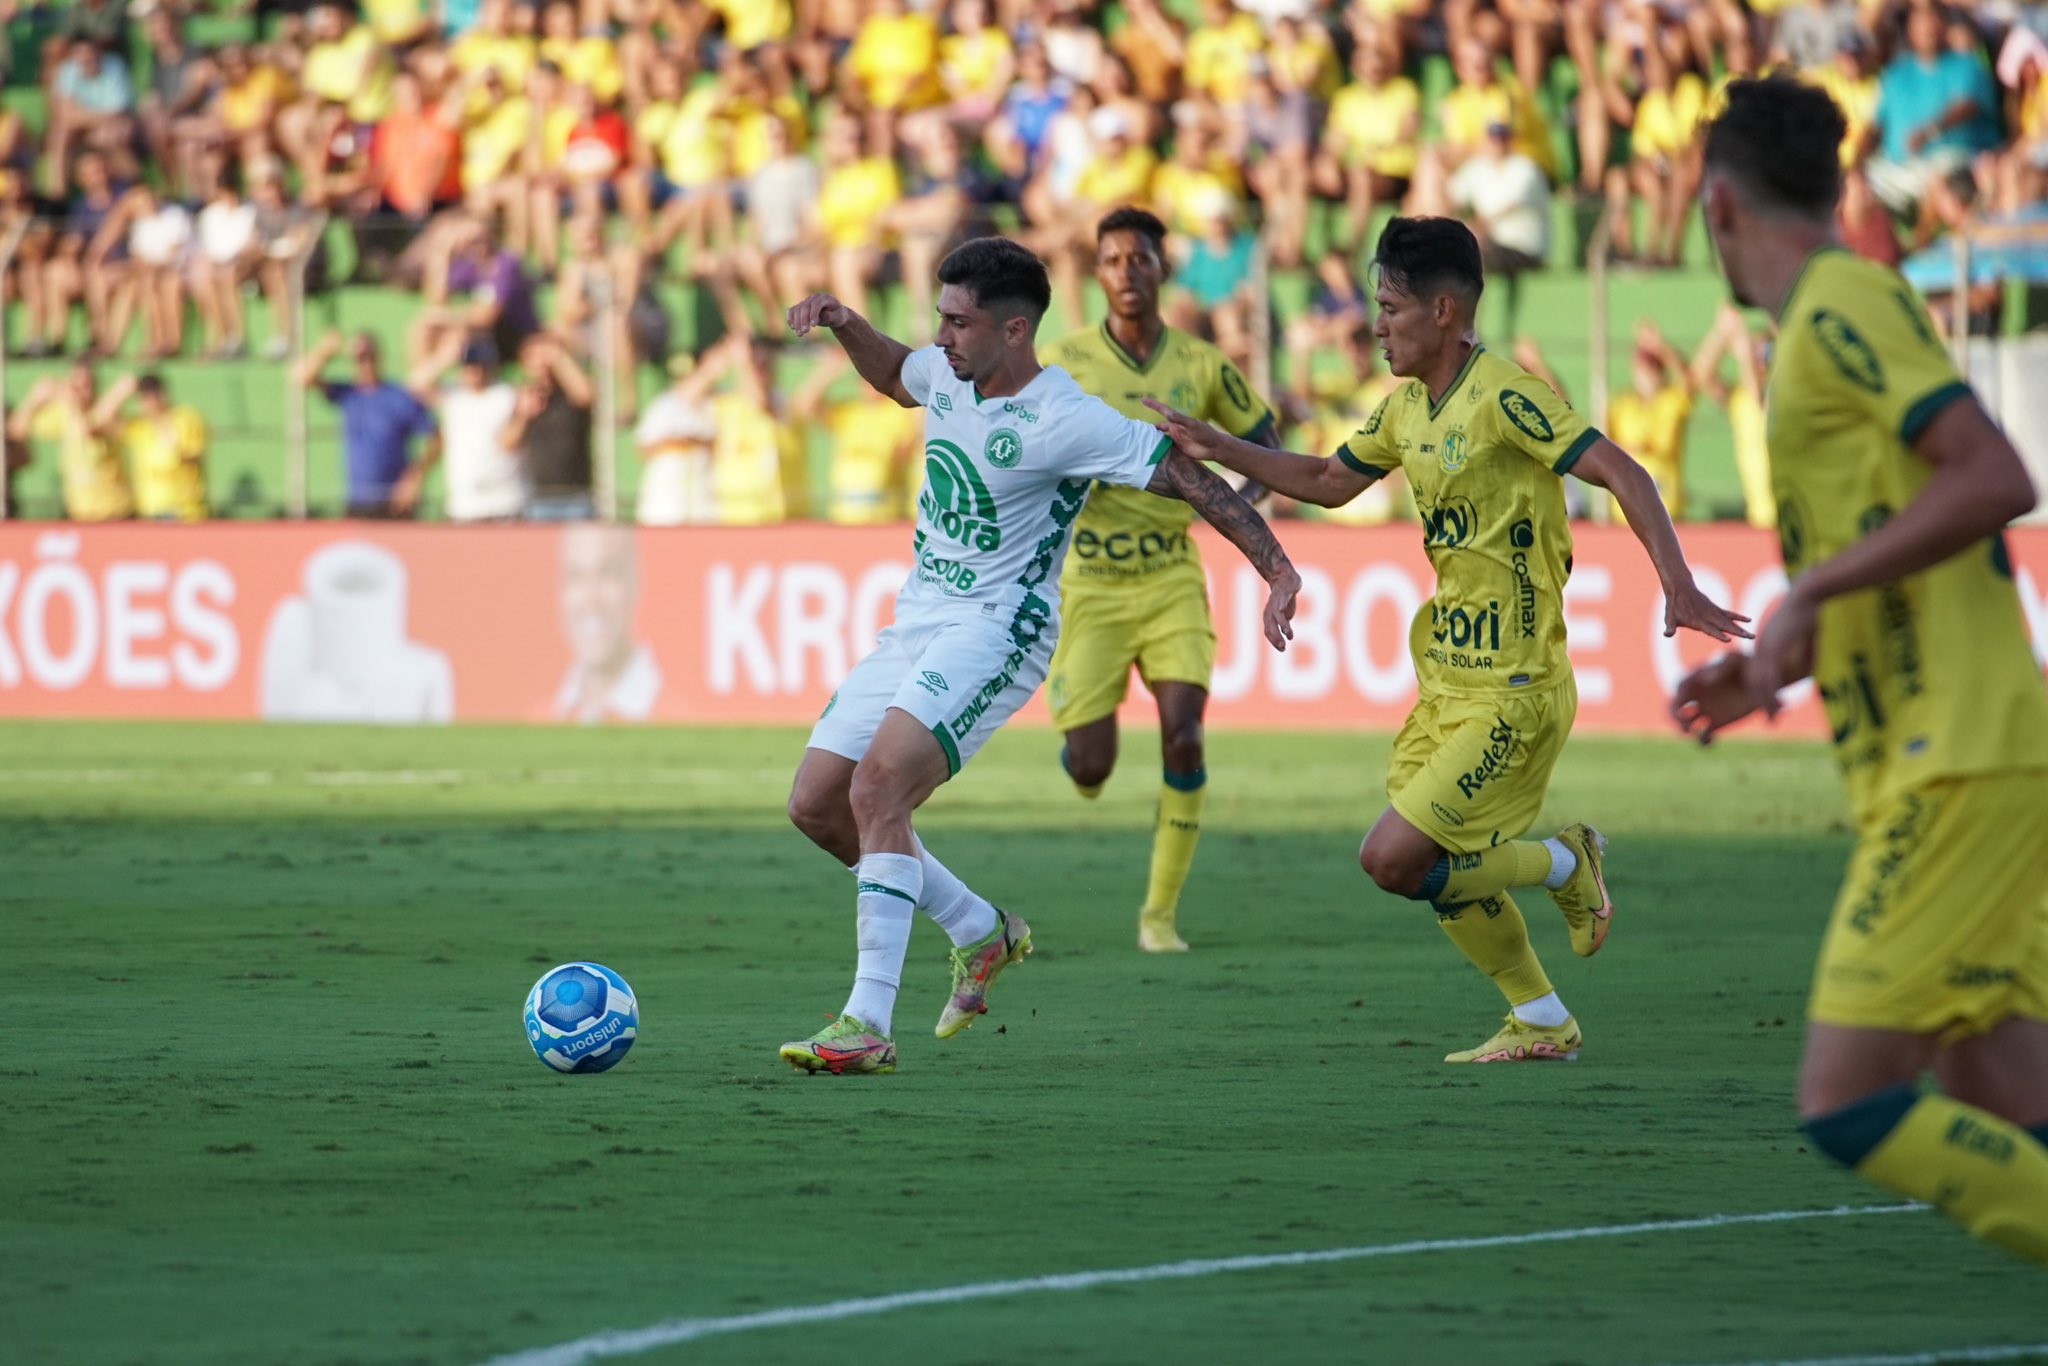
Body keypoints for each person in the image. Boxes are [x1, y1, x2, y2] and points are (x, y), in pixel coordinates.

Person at [1149, 215, 1749, 1064]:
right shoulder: (1403, 409)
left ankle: (1562, 865)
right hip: (1447, 686)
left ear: (1442, 311)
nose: (1377, 324)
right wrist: (1216, 445)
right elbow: (1326, 480)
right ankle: (1541, 1018)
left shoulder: (1508, 397)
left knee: (1393, 858)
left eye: (1389, 307)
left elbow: (1623, 468)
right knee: (1430, 867)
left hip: (1515, 688)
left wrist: (1678, 583)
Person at [1673, 75, 2048, 1268]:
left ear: (1717, 202)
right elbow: (1890, 530)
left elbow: (1992, 476)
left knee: (1842, 1096)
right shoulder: (1824, 321)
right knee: (1994, 1081)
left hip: (1960, 762)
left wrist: (1811, 592)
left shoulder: (1840, 303)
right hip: (1946, 757)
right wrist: (1782, 659)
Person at [778, 236, 1302, 1075]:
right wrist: (845, 321)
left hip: (998, 628)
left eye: (959, 323)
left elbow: (1189, 479)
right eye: (941, 319)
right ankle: (980, 930)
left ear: (1014, 332)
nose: (942, 338)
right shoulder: (949, 375)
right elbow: (893, 373)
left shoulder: (1067, 417)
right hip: (918, 618)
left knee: (877, 787)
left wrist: (1276, 569)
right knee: (817, 806)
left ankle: (866, 1022)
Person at [1038, 208, 1281, 954]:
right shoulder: (1064, 361)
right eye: (1110, 260)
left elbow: (1264, 441)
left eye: (1138, 258)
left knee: (1184, 733)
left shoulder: (1202, 365)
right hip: (1091, 582)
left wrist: (1233, 509)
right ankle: (1077, 745)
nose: (1125, 272)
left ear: (1160, 269)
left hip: (1172, 575)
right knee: (1091, 766)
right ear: (1097, 273)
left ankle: (1159, 917)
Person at [294, 329, 440, 518]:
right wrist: (325, 352)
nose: (365, 364)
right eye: (359, 358)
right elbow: (301, 378)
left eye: (369, 356)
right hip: (358, 501)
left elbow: (436, 438)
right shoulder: (349, 395)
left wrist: (415, 477)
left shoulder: (398, 397)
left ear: (379, 358)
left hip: (394, 503)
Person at [553, 522, 661, 723]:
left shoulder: (672, 714)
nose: (591, 599)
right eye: (576, 576)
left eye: (607, 573)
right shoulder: (542, 717)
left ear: (634, 581)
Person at [6, 364, 133, 522]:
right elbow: (16, 429)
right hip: (80, 513)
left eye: (87, 385)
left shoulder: (106, 412)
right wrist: (35, 400)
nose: (82, 392)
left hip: (115, 512)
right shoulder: (63, 415)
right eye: (77, 386)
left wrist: (69, 400)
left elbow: (87, 431)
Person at [109, 373, 209, 522]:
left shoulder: (186, 418)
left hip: (184, 512)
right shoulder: (140, 426)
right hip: (151, 512)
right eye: (144, 397)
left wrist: (177, 452)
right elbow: (104, 421)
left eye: (153, 394)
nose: (150, 401)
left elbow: (196, 456)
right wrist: (119, 393)